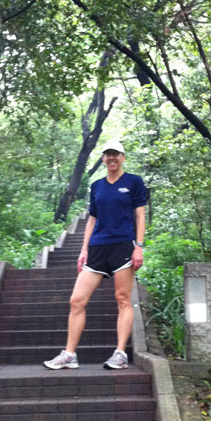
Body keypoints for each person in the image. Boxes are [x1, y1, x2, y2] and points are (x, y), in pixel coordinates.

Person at [44, 138, 146, 370]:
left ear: (123, 158)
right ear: (103, 158)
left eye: (116, 154)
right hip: (98, 247)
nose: (111, 158)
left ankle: (120, 354)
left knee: (122, 299)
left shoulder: (134, 182)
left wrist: (139, 246)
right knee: (77, 300)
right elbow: (92, 218)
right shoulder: (97, 186)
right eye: (108, 154)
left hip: (123, 245)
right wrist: (84, 249)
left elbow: (140, 215)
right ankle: (69, 354)